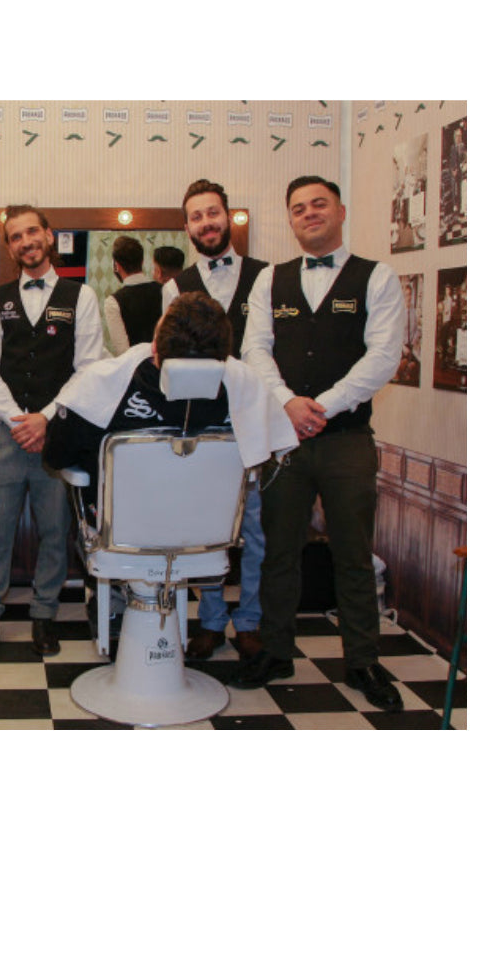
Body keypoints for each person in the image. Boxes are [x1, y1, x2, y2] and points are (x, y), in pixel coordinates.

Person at [240, 175, 405, 710]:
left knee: (353, 555)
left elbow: (383, 356)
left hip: (347, 440)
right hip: (283, 439)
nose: (308, 213)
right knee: (278, 553)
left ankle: (362, 661)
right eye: (298, 208)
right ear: (290, 219)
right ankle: (276, 651)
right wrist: (288, 402)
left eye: (318, 205)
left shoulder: (377, 277)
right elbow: (255, 350)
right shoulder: (270, 280)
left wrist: (323, 407)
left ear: (340, 212)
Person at [0, 205, 104, 660]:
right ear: (9, 247)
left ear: (49, 236)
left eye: (32, 232)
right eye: (16, 236)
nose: (26, 242)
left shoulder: (82, 297)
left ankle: (44, 615)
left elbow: (88, 367)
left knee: (55, 531)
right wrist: (19, 419)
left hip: (57, 433)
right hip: (4, 434)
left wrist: (45, 417)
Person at [47, 290, 296, 507]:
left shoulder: (103, 385)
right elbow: (263, 455)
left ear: (155, 346)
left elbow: (56, 455)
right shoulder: (246, 393)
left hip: (122, 535)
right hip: (209, 537)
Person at [161, 178, 269, 662]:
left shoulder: (267, 277)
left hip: (254, 421)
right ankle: (209, 619)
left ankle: (250, 620)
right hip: (203, 424)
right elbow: (169, 358)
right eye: (197, 216)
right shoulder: (174, 287)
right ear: (187, 227)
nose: (206, 222)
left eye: (213, 212)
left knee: (256, 531)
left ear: (228, 216)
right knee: (207, 527)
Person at [103, 234, 163, 355]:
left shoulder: (113, 302)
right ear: (142, 261)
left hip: (134, 364)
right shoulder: (164, 290)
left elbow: (122, 350)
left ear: (117, 266)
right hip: (163, 360)